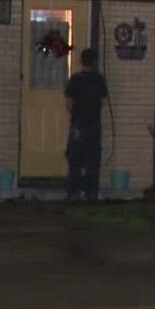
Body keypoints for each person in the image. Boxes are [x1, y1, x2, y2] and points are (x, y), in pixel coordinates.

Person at [64, 47, 109, 200]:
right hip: (94, 124)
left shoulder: (75, 79)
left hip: (78, 125)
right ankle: (91, 193)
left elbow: (69, 103)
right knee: (93, 160)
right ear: (95, 62)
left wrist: (76, 114)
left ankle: (74, 192)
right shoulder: (99, 80)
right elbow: (102, 101)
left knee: (75, 159)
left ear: (81, 61)